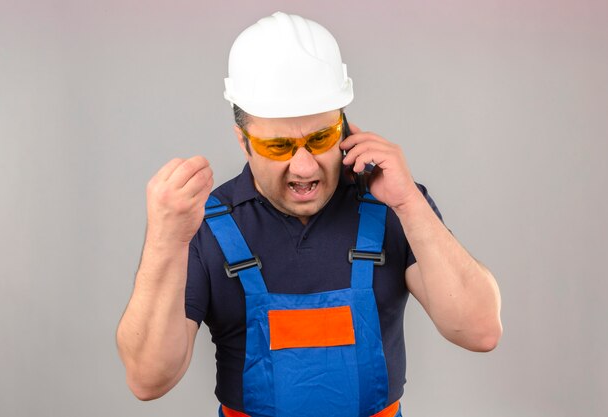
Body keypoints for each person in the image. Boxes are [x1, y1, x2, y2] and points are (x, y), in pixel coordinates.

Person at [116, 11, 502, 417]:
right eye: (278, 147)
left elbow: (480, 330)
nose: (304, 167)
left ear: (345, 127)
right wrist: (164, 241)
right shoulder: (205, 227)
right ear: (243, 141)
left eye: (321, 138)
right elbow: (147, 379)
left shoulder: (395, 207)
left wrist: (409, 203)